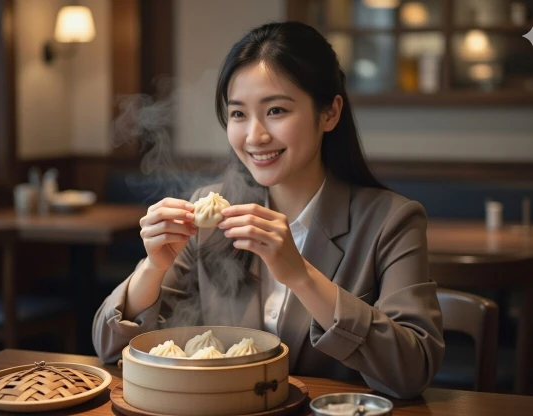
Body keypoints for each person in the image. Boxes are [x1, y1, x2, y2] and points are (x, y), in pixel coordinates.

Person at [93, 21, 444, 399]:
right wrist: (153, 267)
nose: (255, 136)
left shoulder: (391, 221)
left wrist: (303, 276)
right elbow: (112, 351)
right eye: (238, 114)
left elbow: (412, 370)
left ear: (330, 113)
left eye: (276, 110)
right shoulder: (210, 213)